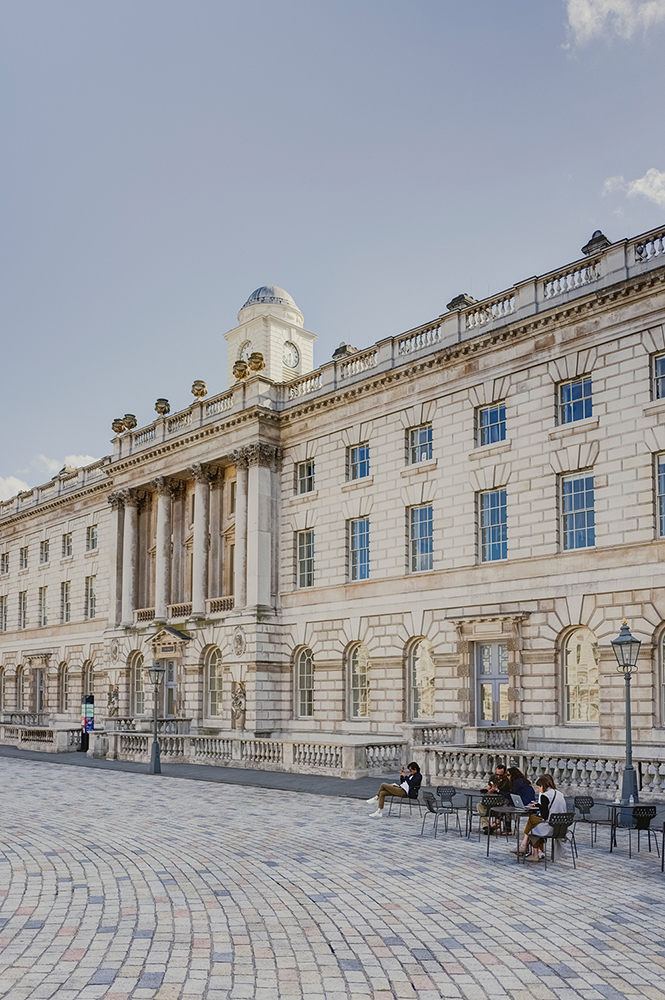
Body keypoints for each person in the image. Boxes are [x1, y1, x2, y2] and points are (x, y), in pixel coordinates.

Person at [512, 774, 567, 862]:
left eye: (538, 787)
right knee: (534, 822)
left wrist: (540, 807)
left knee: (533, 821)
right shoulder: (559, 794)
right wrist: (539, 805)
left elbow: (544, 815)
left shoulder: (545, 795)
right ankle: (529, 848)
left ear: (542, 786)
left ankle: (527, 847)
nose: (538, 790)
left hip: (551, 827)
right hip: (561, 827)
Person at [477, 762, 511, 833]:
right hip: (491, 799)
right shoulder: (493, 778)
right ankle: (486, 826)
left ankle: (496, 823)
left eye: (500, 775)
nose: (498, 776)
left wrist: (498, 791)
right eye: (497, 774)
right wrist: (492, 790)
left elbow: (509, 793)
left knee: (503, 804)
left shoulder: (507, 780)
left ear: (504, 774)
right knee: (479, 805)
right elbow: (488, 790)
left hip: (502, 801)